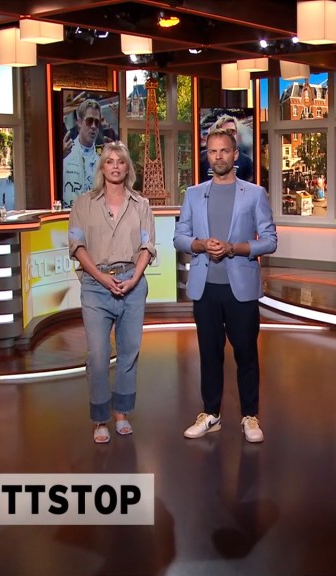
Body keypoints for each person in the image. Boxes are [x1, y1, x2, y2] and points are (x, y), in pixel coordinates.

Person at [174, 127, 277, 444]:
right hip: (205, 287)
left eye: (224, 151)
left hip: (240, 287)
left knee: (246, 354)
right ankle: (211, 414)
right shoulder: (194, 194)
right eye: (212, 151)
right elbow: (179, 237)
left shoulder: (254, 194)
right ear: (208, 155)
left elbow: (270, 240)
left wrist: (234, 248)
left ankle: (250, 415)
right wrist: (200, 244)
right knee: (209, 354)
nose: (218, 156)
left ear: (235, 155)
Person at [67, 142, 155, 444]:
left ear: (128, 168)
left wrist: (134, 279)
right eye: (109, 161)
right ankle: (100, 418)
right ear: (102, 167)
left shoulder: (141, 204)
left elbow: (147, 247)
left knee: (129, 353)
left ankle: (122, 414)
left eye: (120, 161)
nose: (115, 166)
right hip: (96, 285)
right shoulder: (83, 204)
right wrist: (102, 277)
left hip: (132, 284)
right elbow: (77, 246)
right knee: (98, 355)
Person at [62, 99, 103, 208]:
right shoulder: (65, 153)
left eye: (97, 122)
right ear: (79, 123)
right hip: (67, 216)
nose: (93, 126)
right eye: (89, 121)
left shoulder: (101, 161)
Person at [198, 115, 254, 182]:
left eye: (232, 131)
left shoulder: (246, 161)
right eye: (226, 131)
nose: (230, 134)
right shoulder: (202, 158)